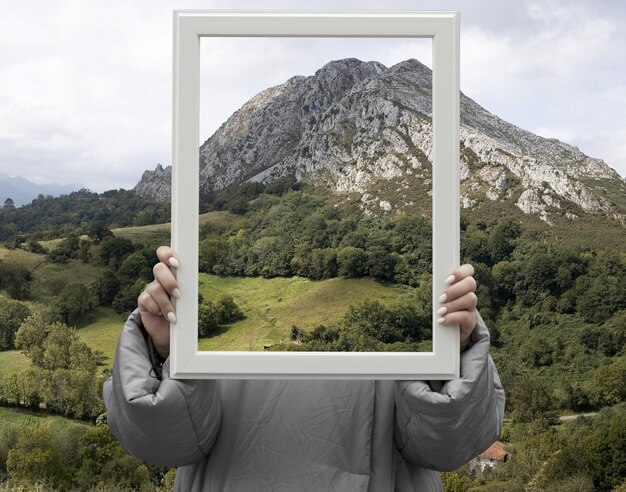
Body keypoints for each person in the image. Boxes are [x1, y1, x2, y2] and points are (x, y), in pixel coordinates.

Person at [103, 246, 505, 491]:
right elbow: (163, 443)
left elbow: (446, 445)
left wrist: (454, 349)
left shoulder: (407, 345)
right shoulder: (201, 346)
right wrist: (165, 348)